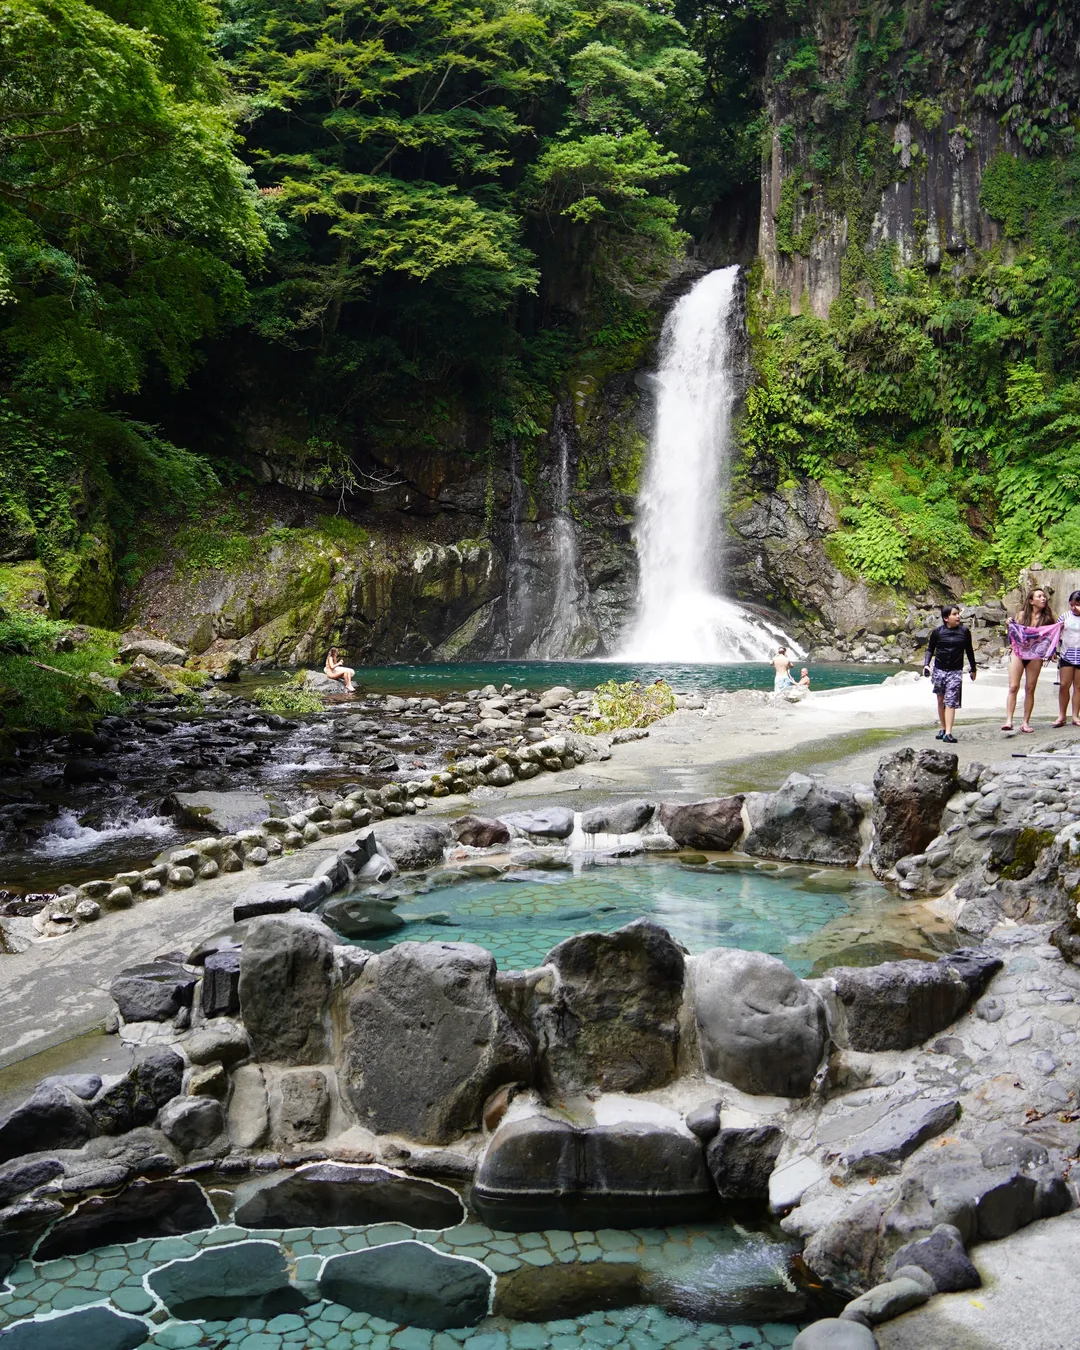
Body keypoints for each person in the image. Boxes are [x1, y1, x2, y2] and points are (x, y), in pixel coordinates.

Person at [1004, 588, 1062, 732]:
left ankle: (1025, 723)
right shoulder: (1022, 615)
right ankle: (1009, 720)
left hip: (1035, 655)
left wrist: (1052, 651)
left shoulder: (1047, 619)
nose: (1043, 598)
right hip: (1018, 652)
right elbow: (1014, 630)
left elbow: (1052, 637)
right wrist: (1008, 623)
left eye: (1044, 596)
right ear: (1031, 601)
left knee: (1030, 688)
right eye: (1039, 596)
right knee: (1013, 687)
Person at [923, 604, 976, 743]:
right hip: (939, 670)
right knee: (941, 701)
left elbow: (969, 651)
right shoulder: (937, 632)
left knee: (951, 701)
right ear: (946, 618)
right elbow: (930, 649)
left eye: (958, 613)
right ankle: (943, 727)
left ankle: (948, 733)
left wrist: (973, 669)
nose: (958, 616)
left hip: (955, 671)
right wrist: (926, 664)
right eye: (954, 614)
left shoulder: (964, 632)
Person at [1055, 590, 1080, 728]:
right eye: (1071, 604)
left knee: (1079, 687)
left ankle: (1075, 716)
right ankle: (1062, 715)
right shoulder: (1065, 616)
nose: (1073, 607)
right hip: (1067, 655)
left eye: (1076, 604)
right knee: (1064, 685)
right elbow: (1055, 634)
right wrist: (1052, 651)